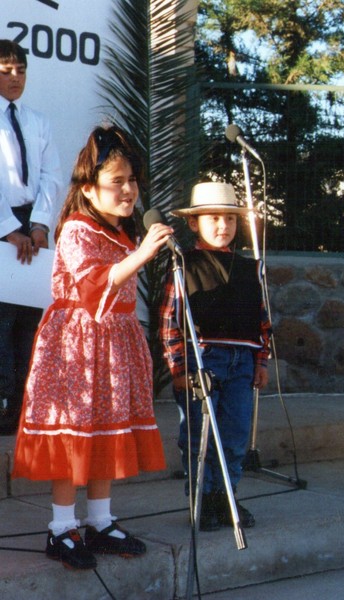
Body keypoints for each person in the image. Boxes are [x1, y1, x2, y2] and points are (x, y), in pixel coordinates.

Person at [12, 125, 172, 570]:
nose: (128, 190)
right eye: (116, 181)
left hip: (114, 343)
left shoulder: (121, 233)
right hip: (76, 349)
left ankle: (100, 519)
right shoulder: (77, 230)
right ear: (89, 188)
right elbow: (92, 288)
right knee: (72, 433)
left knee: (105, 428)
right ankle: (62, 526)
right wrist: (140, 256)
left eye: (132, 180)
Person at [160, 181, 271, 531]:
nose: (223, 226)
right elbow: (169, 320)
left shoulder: (251, 268)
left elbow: (262, 319)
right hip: (202, 360)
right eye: (214, 219)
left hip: (242, 361)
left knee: (235, 433)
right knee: (199, 436)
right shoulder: (183, 264)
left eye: (230, 219)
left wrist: (261, 361)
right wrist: (178, 367)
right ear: (194, 223)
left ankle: (226, 497)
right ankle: (202, 499)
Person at [0, 39, 62, 434]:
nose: (14, 78)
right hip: (3, 227)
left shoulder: (36, 120)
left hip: (32, 226)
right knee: (1, 323)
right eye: (5, 70)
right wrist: (8, 230)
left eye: (20, 70)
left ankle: (21, 408)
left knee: (28, 322)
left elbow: (52, 176)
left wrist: (39, 225)